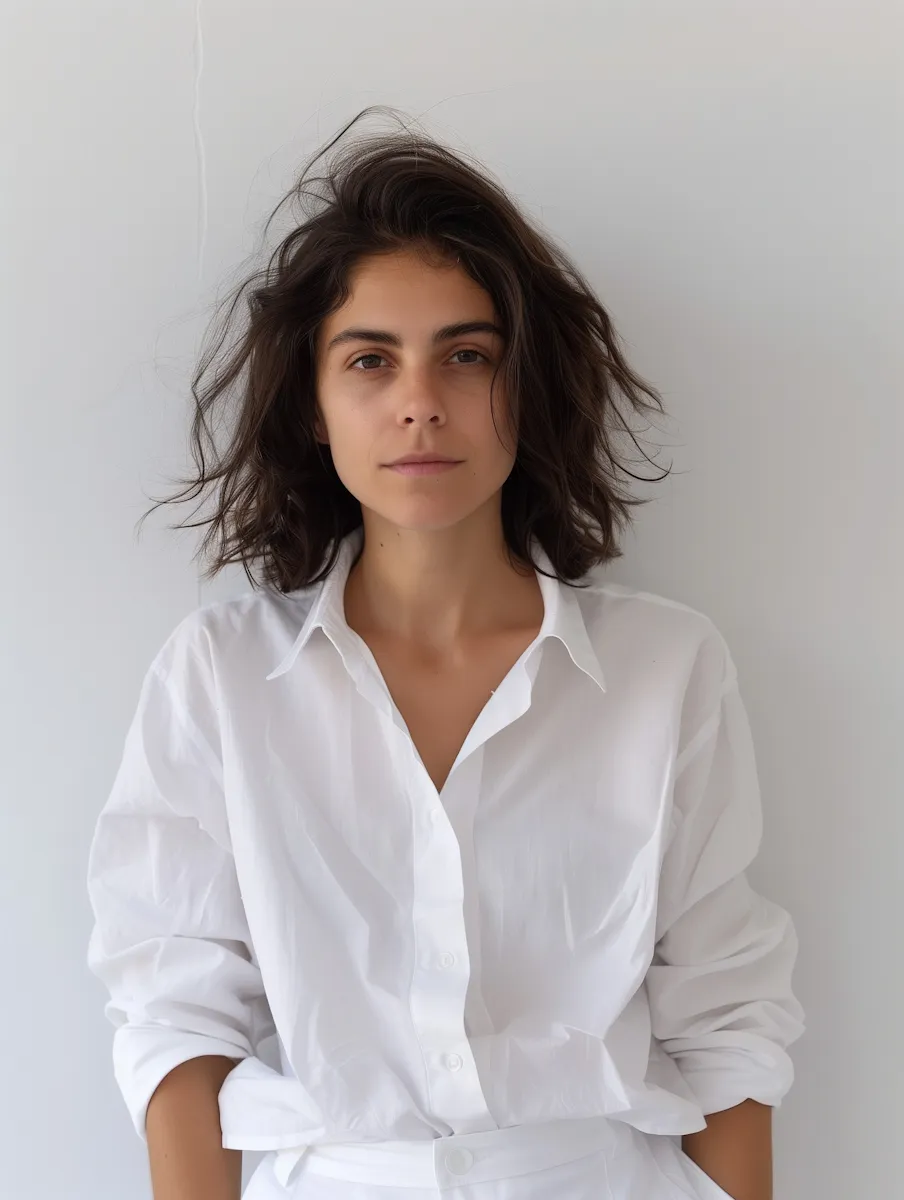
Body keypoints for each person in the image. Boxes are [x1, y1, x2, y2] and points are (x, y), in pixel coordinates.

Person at [87, 107, 805, 1200]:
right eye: (370, 360)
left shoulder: (666, 671)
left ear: (527, 390)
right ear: (316, 409)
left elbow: (727, 1016)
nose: (420, 404)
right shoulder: (220, 678)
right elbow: (176, 1013)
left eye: (466, 356)